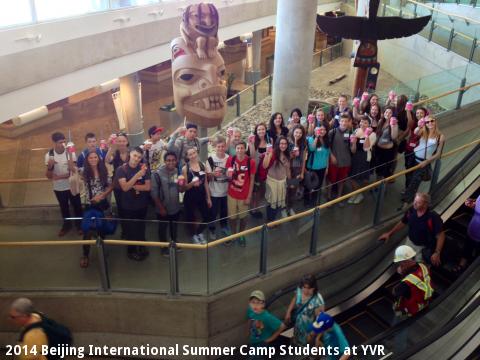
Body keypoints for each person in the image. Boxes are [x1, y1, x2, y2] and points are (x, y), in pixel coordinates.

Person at [379, 192, 445, 266]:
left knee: (418, 266)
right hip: (410, 242)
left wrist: (437, 252)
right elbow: (403, 222)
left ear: (425, 204)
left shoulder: (433, 217)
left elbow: (441, 235)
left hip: (423, 247)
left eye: (418, 202)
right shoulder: (412, 210)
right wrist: (389, 233)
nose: (414, 204)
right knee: (404, 264)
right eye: (414, 201)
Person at [400, 115, 445, 208]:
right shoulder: (423, 131)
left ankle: (405, 203)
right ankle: (408, 195)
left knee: (414, 182)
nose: (430, 123)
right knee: (409, 177)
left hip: (423, 162)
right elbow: (415, 132)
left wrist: (427, 162)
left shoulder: (440, 136)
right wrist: (420, 125)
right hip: (413, 157)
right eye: (427, 122)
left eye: (432, 121)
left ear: (435, 121)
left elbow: (438, 154)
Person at [115, 146, 151, 261]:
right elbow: (125, 188)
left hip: (141, 205)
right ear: (130, 154)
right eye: (135, 155)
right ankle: (131, 250)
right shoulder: (121, 169)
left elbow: (148, 187)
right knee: (130, 229)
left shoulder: (145, 168)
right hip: (128, 206)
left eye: (139, 157)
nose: (136, 159)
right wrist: (138, 175)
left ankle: (141, 245)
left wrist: (133, 185)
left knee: (141, 227)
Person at [45, 132, 83, 237]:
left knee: (77, 206)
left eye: (64, 142)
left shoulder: (70, 153)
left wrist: (59, 176)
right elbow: (49, 176)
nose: (63, 144)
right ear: (54, 143)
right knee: (64, 207)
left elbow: (73, 171)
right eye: (60, 142)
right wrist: (50, 167)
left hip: (72, 185)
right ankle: (67, 225)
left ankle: (79, 225)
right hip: (59, 188)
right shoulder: (49, 155)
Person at [80, 151, 113, 268]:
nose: (93, 159)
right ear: (87, 160)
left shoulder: (104, 171)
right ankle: (85, 254)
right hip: (90, 205)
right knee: (87, 231)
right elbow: (71, 169)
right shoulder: (84, 172)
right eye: (91, 158)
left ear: (98, 159)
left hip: (102, 205)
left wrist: (102, 196)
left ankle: (102, 250)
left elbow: (111, 185)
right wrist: (69, 153)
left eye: (95, 157)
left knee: (101, 229)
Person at [151, 151, 182, 256]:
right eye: (168, 160)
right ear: (164, 161)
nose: (171, 162)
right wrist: (161, 208)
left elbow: (178, 187)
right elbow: (154, 193)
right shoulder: (156, 174)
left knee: (174, 226)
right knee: (162, 227)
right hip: (162, 208)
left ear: (176, 161)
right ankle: (163, 246)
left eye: (173, 160)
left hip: (175, 207)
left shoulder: (177, 171)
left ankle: (173, 242)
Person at [226, 142, 256, 246]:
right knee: (232, 217)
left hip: (244, 195)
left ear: (245, 149)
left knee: (243, 217)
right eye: (238, 148)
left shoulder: (250, 162)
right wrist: (228, 174)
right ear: (235, 149)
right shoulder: (231, 159)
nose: (239, 150)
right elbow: (228, 174)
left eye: (242, 148)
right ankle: (233, 234)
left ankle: (241, 233)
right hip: (232, 193)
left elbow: (252, 179)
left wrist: (249, 196)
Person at [392, 245, 434, 317]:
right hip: (426, 301)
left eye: (400, 263)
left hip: (413, 311)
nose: (399, 265)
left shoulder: (405, 283)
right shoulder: (423, 266)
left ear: (405, 262)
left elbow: (395, 292)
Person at [181, 147, 212, 244]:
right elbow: (184, 188)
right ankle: (194, 235)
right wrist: (192, 183)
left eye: (194, 153)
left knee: (207, 216)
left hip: (201, 195)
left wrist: (208, 198)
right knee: (191, 218)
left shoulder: (202, 165)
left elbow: (206, 182)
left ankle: (199, 232)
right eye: (190, 154)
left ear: (197, 153)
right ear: (187, 156)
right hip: (190, 197)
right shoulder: (185, 168)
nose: (193, 155)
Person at [284, 274, 325, 346]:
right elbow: (295, 299)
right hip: (298, 325)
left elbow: (320, 320)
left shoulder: (317, 300)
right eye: (304, 287)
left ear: (313, 287)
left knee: (307, 345)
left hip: (308, 330)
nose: (305, 290)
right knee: (297, 340)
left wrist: (313, 333)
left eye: (308, 288)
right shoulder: (300, 290)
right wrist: (288, 312)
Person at [247, 290, 287, 358]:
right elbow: (250, 319)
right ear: (249, 303)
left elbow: (282, 326)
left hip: (262, 343)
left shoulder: (267, 317)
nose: (255, 305)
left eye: (258, 303)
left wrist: (270, 339)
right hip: (254, 340)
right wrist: (248, 331)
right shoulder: (250, 311)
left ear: (263, 304)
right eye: (253, 302)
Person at [327, 114, 356, 205]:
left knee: (341, 181)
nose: (344, 123)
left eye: (346, 121)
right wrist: (331, 156)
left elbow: (353, 151)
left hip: (345, 162)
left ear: (348, 122)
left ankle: (339, 197)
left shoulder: (351, 134)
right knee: (330, 180)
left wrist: (354, 143)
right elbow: (327, 146)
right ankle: (329, 197)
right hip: (334, 161)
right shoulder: (332, 132)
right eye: (342, 121)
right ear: (339, 121)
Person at [105, 132, 130, 238]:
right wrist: (111, 146)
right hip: (118, 186)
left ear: (127, 142)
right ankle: (125, 230)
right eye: (119, 141)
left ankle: (132, 228)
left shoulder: (132, 152)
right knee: (121, 208)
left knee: (131, 207)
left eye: (123, 141)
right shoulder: (115, 154)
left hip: (131, 185)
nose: (121, 143)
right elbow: (106, 160)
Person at [205, 136, 230, 239]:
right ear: (214, 147)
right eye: (218, 146)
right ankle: (212, 228)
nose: (221, 148)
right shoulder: (210, 159)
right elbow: (207, 177)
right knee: (213, 212)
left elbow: (231, 174)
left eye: (223, 146)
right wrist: (213, 174)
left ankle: (224, 226)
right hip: (214, 191)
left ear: (225, 147)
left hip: (226, 191)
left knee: (224, 211)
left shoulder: (229, 158)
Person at [348, 116, 376, 204]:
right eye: (361, 122)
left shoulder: (373, 134)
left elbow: (366, 148)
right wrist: (353, 142)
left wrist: (367, 136)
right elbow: (353, 149)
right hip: (355, 156)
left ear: (369, 124)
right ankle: (355, 194)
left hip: (364, 157)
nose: (362, 124)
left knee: (357, 177)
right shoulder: (356, 130)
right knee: (351, 176)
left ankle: (358, 194)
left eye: (365, 123)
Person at [262, 136, 290, 221]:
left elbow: (288, 169)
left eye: (285, 144)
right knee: (271, 203)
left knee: (278, 202)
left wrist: (290, 181)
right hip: (272, 182)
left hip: (282, 182)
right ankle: (270, 221)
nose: (283, 145)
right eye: (281, 143)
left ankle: (273, 219)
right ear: (277, 144)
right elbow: (264, 166)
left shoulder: (287, 154)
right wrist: (267, 154)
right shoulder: (272, 153)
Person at [453, 196, 480, 273]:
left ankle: (472, 272)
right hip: (472, 229)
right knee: (467, 247)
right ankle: (461, 265)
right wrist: (473, 203)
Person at [248, 123, 270, 218]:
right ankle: (253, 209)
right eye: (259, 130)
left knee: (261, 190)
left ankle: (256, 207)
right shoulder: (253, 141)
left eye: (263, 129)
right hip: (255, 170)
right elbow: (252, 156)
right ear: (256, 132)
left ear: (265, 130)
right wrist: (251, 144)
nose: (261, 131)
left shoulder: (269, 141)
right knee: (254, 191)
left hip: (265, 170)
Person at [306, 125, 330, 206]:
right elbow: (312, 148)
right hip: (313, 167)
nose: (321, 131)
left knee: (318, 186)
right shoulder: (311, 139)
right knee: (310, 185)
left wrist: (327, 167)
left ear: (326, 131)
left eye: (323, 130)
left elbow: (327, 155)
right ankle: (307, 201)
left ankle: (314, 202)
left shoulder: (327, 140)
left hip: (322, 167)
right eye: (319, 130)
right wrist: (316, 137)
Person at [404, 107, 428, 189]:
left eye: (421, 113)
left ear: (425, 114)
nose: (419, 115)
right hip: (409, 149)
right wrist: (408, 110)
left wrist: (422, 126)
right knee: (408, 168)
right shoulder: (414, 123)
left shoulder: (427, 125)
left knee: (413, 171)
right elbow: (410, 123)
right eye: (417, 113)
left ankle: (409, 190)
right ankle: (407, 187)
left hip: (418, 153)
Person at [286, 124, 307, 215]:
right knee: (286, 190)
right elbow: (286, 159)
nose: (298, 134)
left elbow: (303, 160)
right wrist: (293, 154)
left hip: (296, 171)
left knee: (293, 190)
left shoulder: (303, 145)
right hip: (288, 170)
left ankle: (290, 207)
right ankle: (284, 207)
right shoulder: (287, 143)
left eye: (300, 133)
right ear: (293, 132)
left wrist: (302, 172)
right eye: (296, 132)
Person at [374, 107, 398, 180]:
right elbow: (377, 134)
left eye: (390, 112)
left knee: (385, 171)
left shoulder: (395, 124)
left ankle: (381, 189)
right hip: (378, 149)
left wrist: (392, 126)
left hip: (387, 152)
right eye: (386, 112)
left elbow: (394, 137)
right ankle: (376, 186)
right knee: (378, 169)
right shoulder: (381, 121)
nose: (387, 114)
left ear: (393, 114)